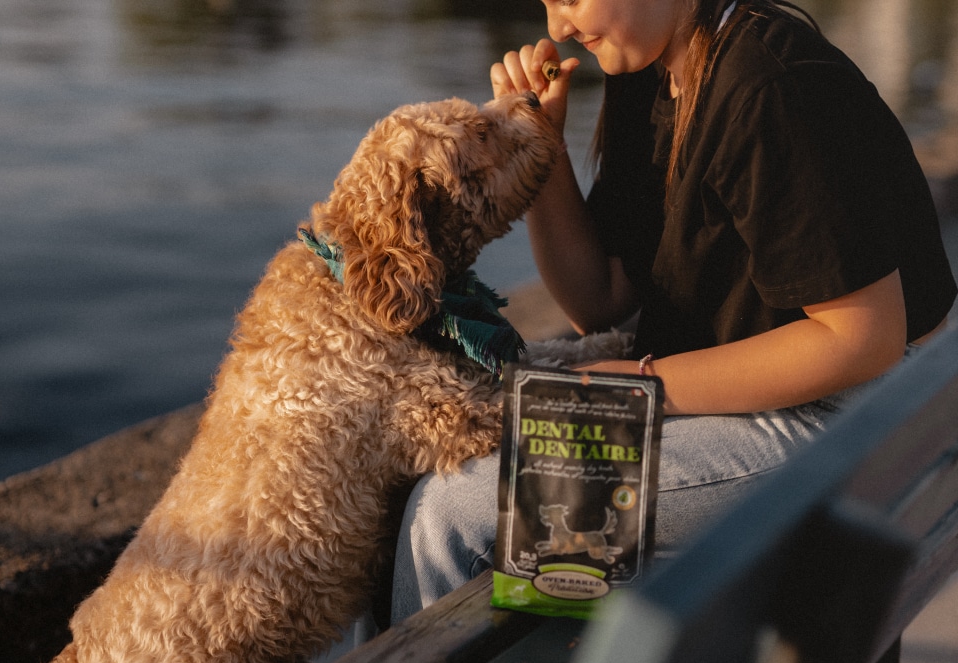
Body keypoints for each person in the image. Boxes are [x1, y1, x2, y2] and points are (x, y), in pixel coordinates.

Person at [391, 0, 957, 622]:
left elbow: (865, 338)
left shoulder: (769, 85)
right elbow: (600, 299)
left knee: (452, 512)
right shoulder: (655, 70)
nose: (557, 28)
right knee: (412, 467)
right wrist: (543, 149)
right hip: (788, 398)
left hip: (850, 415)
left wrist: (643, 386)